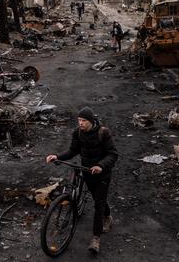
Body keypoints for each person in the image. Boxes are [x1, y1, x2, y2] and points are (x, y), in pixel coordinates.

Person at [46, 107, 118, 254]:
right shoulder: (78, 133)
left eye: (84, 120)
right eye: (79, 120)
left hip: (102, 174)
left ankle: (96, 238)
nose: (81, 123)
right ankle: (108, 216)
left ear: (91, 121)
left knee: (98, 204)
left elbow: (112, 154)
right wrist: (57, 156)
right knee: (99, 199)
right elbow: (72, 151)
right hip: (87, 172)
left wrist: (100, 165)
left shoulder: (103, 133)